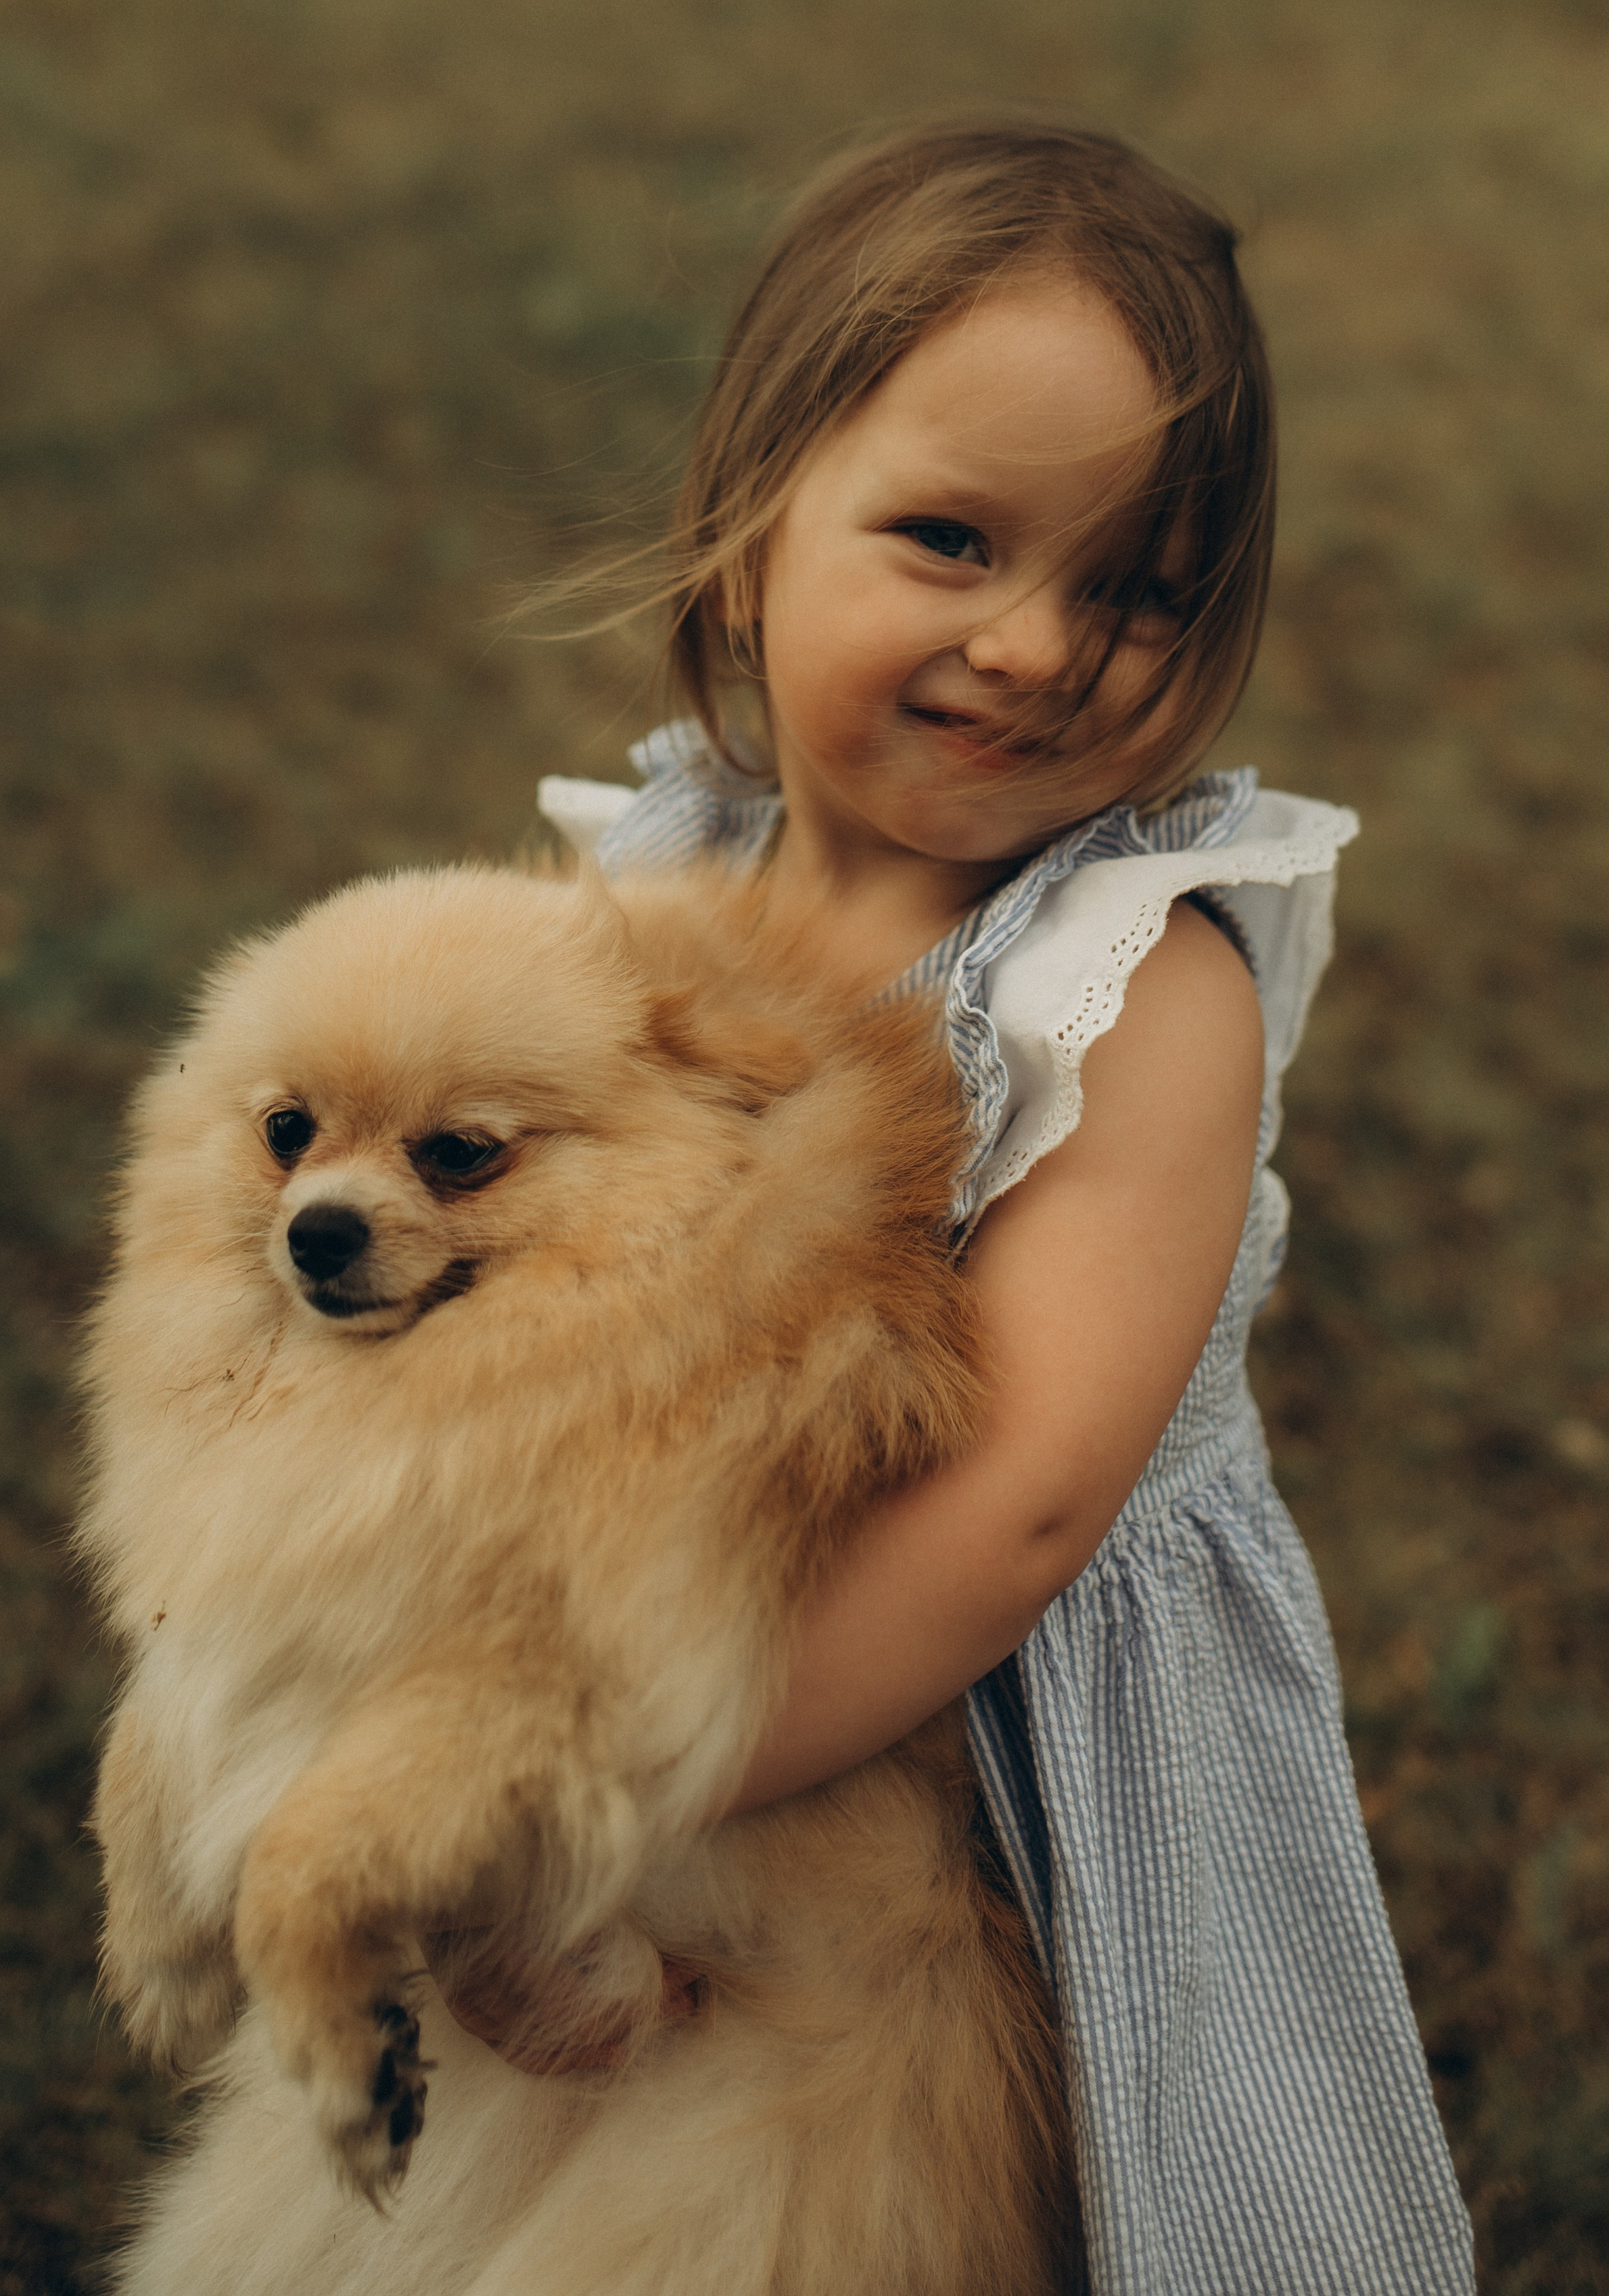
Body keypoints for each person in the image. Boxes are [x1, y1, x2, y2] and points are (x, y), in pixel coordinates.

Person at [454, 121, 1476, 2292]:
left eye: (1134, 591)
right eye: (950, 541)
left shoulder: (1128, 984)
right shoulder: (653, 880)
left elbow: (1014, 1509)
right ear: (748, 539)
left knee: (972, 2209)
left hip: (991, 1755)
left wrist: (610, 1794)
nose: (1036, 649)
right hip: (656, 1639)